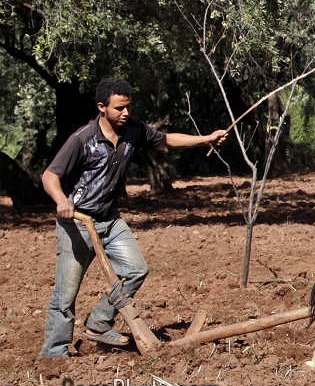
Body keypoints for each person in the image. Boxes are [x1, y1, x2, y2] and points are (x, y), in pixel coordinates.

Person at [39, 77, 227, 358]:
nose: (125, 113)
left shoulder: (132, 130)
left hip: (110, 219)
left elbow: (167, 140)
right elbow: (50, 175)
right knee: (66, 293)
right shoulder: (82, 139)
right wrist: (62, 201)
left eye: (128, 107)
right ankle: (54, 351)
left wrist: (205, 139)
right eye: (119, 108)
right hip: (77, 222)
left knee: (136, 269)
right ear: (102, 107)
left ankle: (99, 322)